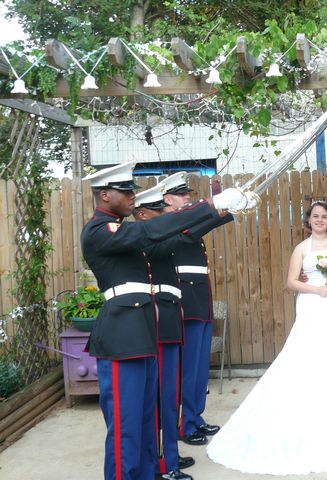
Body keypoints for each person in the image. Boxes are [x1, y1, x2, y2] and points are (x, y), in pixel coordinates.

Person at [81, 162, 251, 480]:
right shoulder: (100, 231)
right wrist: (211, 204)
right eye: (125, 190)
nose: (133, 195)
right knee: (126, 428)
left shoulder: (125, 233)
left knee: (147, 421)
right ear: (104, 195)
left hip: (144, 333)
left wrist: (222, 213)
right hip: (122, 338)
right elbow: (152, 230)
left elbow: (173, 234)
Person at [206, 201, 327, 475]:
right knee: (309, 354)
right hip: (313, 302)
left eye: (324, 217)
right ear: (308, 220)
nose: (319, 220)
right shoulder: (301, 249)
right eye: (315, 216)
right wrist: (316, 290)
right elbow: (291, 282)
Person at [157, 172, 233, 446]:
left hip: (200, 300)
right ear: (166, 199)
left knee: (200, 368)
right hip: (185, 304)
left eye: (188, 194)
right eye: (182, 194)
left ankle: (195, 417)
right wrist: (220, 209)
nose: (187, 197)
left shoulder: (183, 219)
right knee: (187, 369)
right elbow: (197, 226)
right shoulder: (167, 223)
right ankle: (183, 423)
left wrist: (228, 208)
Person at [132, 184, 193, 480]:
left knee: (171, 395)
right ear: (143, 215)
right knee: (160, 397)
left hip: (168, 318)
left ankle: (170, 456)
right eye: (158, 212)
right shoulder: (148, 240)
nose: (164, 216)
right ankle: (162, 464)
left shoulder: (159, 235)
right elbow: (176, 236)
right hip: (157, 321)